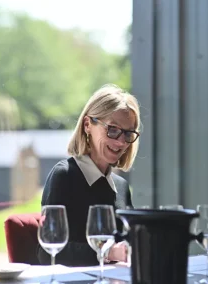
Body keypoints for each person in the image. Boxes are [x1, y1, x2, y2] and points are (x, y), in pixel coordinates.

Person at [37, 84, 141, 266]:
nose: (121, 142)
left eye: (128, 134)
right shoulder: (64, 176)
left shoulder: (122, 187)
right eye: (113, 129)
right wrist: (108, 252)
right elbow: (48, 252)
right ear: (87, 125)